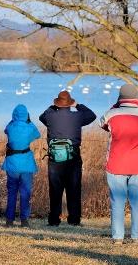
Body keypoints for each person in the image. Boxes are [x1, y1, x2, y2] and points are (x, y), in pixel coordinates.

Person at [100, 84, 138, 245]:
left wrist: (116, 105)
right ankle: (137, 237)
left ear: (120, 98)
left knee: (117, 202)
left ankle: (117, 238)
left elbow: (103, 124)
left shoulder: (110, 114)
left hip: (115, 164)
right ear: (137, 97)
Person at [39, 90, 96, 226]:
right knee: (74, 189)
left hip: (55, 159)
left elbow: (42, 117)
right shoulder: (77, 116)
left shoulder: (50, 116)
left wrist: (53, 106)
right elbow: (92, 116)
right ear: (69, 103)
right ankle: (74, 220)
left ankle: (54, 220)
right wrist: (78, 105)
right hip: (73, 157)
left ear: (57, 104)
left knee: (55, 190)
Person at [2, 104, 41, 228]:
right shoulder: (29, 128)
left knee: (12, 192)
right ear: (27, 115)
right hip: (26, 164)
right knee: (25, 192)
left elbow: (6, 130)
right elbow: (38, 134)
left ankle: (9, 220)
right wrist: (29, 121)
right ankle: (24, 220)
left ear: (13, 115)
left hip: (12, 163)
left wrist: (14, 120)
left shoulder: (10, 127)